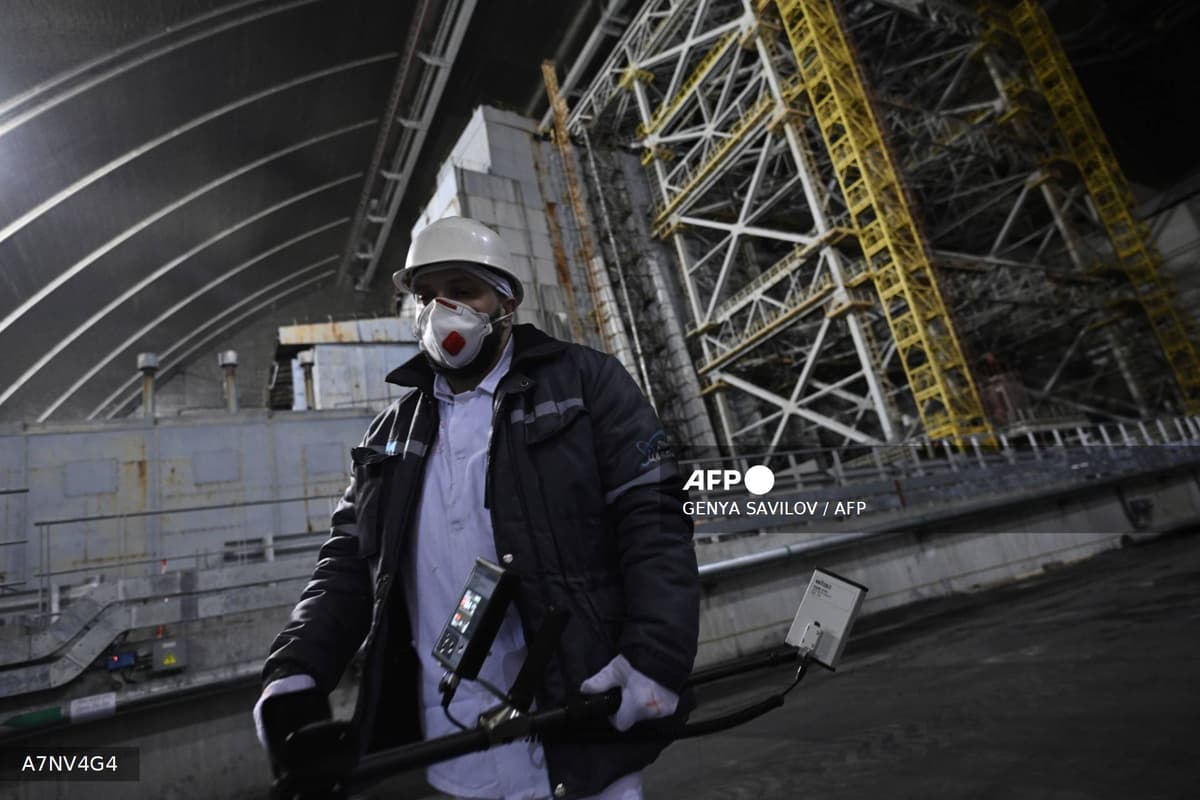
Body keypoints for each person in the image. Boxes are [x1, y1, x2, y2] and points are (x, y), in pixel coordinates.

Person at [254, 216, 700, 800]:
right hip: (451, 748)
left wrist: (656, 656)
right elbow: (346, 565)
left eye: (462, 291)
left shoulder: (587, 385)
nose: (441, 310)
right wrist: (295, 669)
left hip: (577, 727)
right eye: (424, 295)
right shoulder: (390, 435)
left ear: (506, 301)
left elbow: (656, 517)